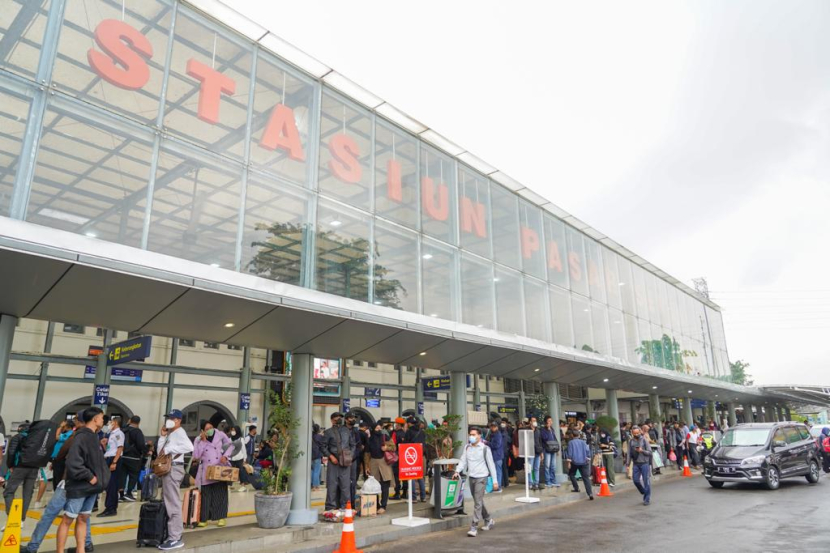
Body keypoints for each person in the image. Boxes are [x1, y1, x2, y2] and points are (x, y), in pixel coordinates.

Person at [26, 416, 94, 553]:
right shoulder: (93, 438)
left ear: (81, 422)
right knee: (83, 516)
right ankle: (86, 544)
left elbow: (62, 453)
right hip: (87, 484)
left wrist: (56, 462)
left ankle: (33, 547)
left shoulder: (75, 436)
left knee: (51, 514)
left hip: (69, 481)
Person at [56, 407, 108, 553]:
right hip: (81, 486)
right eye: (102, 417)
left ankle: (81, 550)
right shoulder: (82, 436)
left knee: (83, 518)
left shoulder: (93, 436)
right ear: (95, 419)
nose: (104, 421)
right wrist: (90, 477)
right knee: (68, 519)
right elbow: (73, 462)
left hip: (92, 487)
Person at [156, 409, 194, 551]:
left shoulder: (180, 432)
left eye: (171, 418)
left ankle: (175, 538)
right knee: (168, 502)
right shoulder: (171, 433)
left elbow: (190, 447)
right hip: (168, 470)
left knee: (173, 503)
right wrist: (162, 436)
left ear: (178, 420)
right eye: (168, 417)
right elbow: (160, 451)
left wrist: (170, 448)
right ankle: (171, 535)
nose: (169, 420)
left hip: (174, 469)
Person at [453, 427, 499, 538]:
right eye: (470, 434)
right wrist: (457, 471)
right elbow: (463, 460)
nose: (471, 437)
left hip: (482, 477)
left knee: (477, 503)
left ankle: (474, 526)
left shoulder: (485, 449)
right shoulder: (467, 447)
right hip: (471, 477)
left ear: (479, 436)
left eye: (473, 434)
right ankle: (488, 520)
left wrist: (495, 481)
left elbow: (491, 465)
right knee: (478, 500)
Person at [193, 421, 234, 527]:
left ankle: (221, 517)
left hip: (219, 467)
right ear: (202, 431)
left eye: (211, 427)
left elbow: (231, 445)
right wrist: (202, 441)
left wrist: (225, 456)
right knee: (206, 495)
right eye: (207, 429)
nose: (210, 429)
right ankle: (204, 518)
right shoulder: (198, 440)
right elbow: (196, 456)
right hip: (206, 470)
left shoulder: (220, 434)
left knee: (220, 493)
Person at [5, 423, 40, 527]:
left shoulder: (17, 437)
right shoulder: (36, 438)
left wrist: (10, 465)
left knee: (9, 491)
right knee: (28, 493)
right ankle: (22, 519)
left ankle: (12, 517)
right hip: (34, 468)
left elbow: (11, 452)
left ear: (20, 429)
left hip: (20, 467)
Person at [321, 412, 355, 512]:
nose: (339, 419)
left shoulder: (347, 431)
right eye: (337, 418)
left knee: (345, 486)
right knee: (332, 485)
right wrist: (331, 456)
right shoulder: (328, 432)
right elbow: (323, 446)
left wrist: (350, 456)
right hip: (334, 462)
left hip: (345, 462)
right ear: (332, 420)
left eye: (340, 418)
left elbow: (353, 445)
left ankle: (345, 507)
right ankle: (330, 508)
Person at [365, 422, 394, 514]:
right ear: (373, 429)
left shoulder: (385, 437)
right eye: (376, 429)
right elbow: (367, 454)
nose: (378, 430)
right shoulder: (369, 440)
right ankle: (376, 504)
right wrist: (367, 466)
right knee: (374, 485)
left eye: (379, 428)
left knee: (385, 484)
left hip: (384, 462)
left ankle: (383, 505)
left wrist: (387, 448)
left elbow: (394, 447)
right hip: (373, 462)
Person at [98, 416, 124, 517]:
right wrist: (104, 444)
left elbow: (120, 448)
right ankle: (110, 507)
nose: (109, 423)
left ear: (116, 423)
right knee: (109, 485)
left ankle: (111, 508)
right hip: (109, 457)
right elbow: (109, 449)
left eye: (111, 422)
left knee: (112, 485)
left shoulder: (118, 434)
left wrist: (114, 462)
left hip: (114, 459)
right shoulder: (111, 434)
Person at [119, 416, 147, 502]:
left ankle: (121, 495)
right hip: (134, 457)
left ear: (130, 421)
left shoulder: (123, 430)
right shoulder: (137, 431)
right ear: (139, 422)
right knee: (133, 476)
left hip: (122, 456)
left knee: (122, 476)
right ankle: (129, 493)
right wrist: (145, 451)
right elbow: (140, 444)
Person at [402, 417, 427, 502]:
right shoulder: (422, 432)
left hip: (411, 456)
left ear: (409, 423)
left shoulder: (409, 432)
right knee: (420, 476)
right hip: (420, 455)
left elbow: (405, 444)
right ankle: (423, 497)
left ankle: (413, 497)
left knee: (412, 476)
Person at [627, 425, 652, 506]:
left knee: (646, 482)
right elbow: (629, 453)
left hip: (644, 463)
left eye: (637, 433)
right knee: (635, 480)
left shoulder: (644, 440)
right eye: (634, 433)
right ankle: (643, 491)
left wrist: (642, 451)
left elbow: (650, 452)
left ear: (640, 432)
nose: (636, 434)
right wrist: (627, 464)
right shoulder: (631, 441)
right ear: (632, 433)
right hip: (636, 464)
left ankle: (646, 499)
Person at [565, 430, 593, 500]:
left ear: (572, 435)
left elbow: (570, 454)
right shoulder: (583, 442)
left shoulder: (571, 443)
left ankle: (576, 487)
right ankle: (590, 493)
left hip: (575, 462)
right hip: (584, 462)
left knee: (571, 474)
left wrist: (568, 462)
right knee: (586, 478)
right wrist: (588, 459)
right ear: (579, 435)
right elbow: (587, 451)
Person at [228, 426, 251, 492]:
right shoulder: (230, 439)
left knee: (241, 472)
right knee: (230, 472)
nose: (232, 432)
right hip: (231, 458)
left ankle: (243, 485)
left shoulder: (241, 439)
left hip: (239, 458)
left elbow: (243, 449)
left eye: (234, 430)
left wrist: (244, 459)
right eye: (232, 430)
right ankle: (229, 485)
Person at [540, 416, 560, 488]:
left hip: (553, 450)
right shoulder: (543, 430)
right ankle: (547, 481)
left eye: (551, 420)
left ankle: (553, 480)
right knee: (547, 466)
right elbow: (544, 438)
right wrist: (548, 430)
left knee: (553, 466)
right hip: (547, 449)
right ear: (546, 422)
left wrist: (558, 449)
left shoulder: (552, 429)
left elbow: (555, 439)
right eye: (549, 420)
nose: (550, 422)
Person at [389, 418, 406, 500]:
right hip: (404, 456)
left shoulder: (395, 434)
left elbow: (393, 445)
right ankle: (405, 493)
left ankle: (397, 493)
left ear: (399, 425)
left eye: (396, 424)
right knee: (404, 474)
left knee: (396, 475)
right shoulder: (405, 433)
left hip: (396, 455)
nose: (395, 425)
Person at [485, 420, 504, 491]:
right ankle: (494, 486)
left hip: (497, 456)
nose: (492, 428)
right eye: (491, 426)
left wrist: (487, 443)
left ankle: (498, 486)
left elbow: (496, 445)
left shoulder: (498, 435)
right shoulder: (491, 434)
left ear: (497, 427)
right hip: (492, 456)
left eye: (494, 426)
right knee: (493, 471)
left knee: (497, 472)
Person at [310, 424, 324, 491]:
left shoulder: (310, 436)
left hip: (310, 456)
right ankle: (316, 486)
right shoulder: (319, 436)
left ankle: (312, 485)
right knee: (316, 471)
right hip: (317, 455)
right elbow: (322, 446)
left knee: (312, 471)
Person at [499, 420, 512, 488]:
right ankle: (505, 482)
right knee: (504, 467)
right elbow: (509, 441)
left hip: (503, 452)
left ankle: (503, 482)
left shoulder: (500, 433)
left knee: (502, 467)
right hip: (505, 452)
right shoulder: (507, 433)